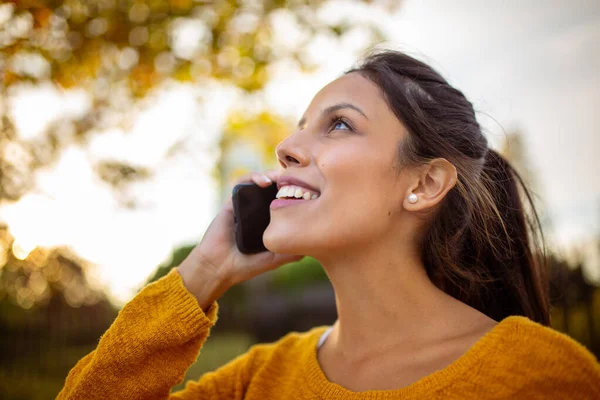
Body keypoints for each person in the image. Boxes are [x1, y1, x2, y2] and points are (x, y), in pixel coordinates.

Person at [58, 49, 600, 399]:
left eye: (338, 125)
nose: (287, 148)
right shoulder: (259, 381)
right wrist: (203, 271)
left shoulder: (541, 377)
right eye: (298, 130)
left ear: (425, 184)